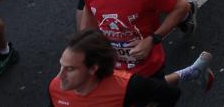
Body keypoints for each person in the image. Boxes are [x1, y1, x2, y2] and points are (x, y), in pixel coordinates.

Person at [49, 28, 213, 106]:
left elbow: (171, 95)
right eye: (61, 66)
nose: (60, 75)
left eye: (70, 69)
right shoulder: (56, 87)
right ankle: (191, 72)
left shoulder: (127, 86)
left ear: (93, 68)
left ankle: (189, 73)